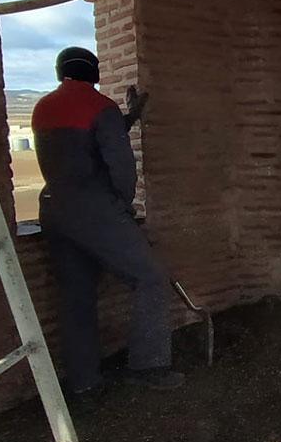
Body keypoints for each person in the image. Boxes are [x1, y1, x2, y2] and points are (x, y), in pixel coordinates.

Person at [32, 46, 182, 394]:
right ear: (95, 73)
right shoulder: (101, 107)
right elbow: (121, 167)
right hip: (95, 212)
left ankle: (83, 381)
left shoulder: (43, 108)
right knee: (151, 278)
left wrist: (128, 119)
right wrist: (122, 206)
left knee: (76, 295)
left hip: (54, 211)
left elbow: (77, 146)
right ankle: (148, 366)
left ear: (61, 72)